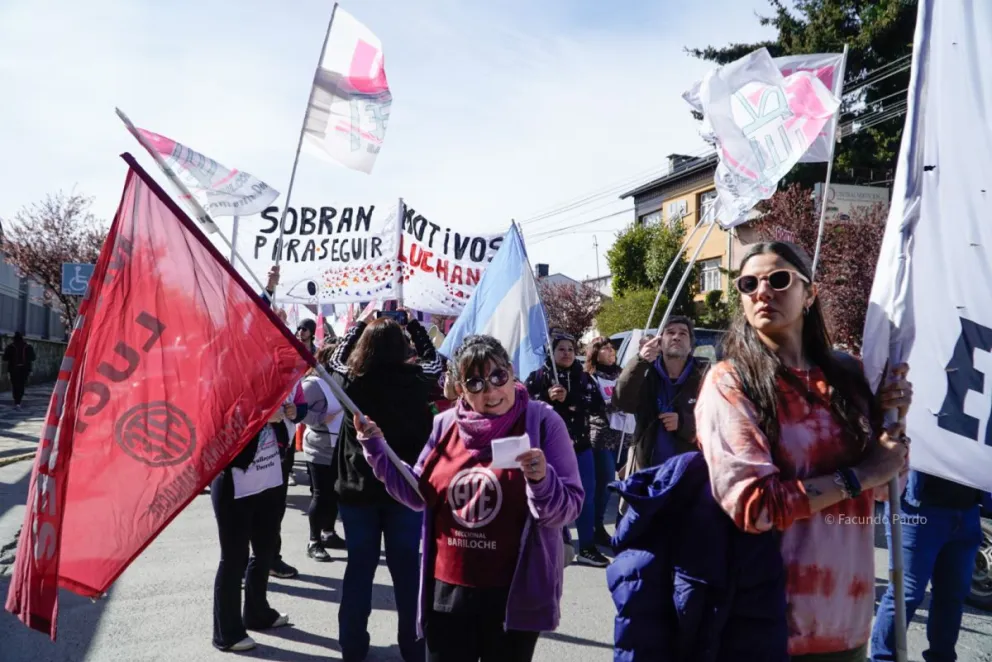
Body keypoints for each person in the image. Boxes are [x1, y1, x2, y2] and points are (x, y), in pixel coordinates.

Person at [694, 241, 912, 661]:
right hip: (769, 624)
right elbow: (754, 506)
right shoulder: (730, 382)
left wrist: (894, 427)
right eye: (748, 284)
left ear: (809, 293)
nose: (762, 291)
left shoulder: (849, 374)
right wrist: (863, 474)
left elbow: (889, 488)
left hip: (849, 623)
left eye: (778, 280)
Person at [353, 335, 584, 662]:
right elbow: (418, 495)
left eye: (498, 376)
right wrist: (378, 450)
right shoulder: (445, 424)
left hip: (512, 595)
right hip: (448, 591)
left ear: (511, 372)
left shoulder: (542, 422)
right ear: (460, 389)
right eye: (475, 383)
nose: (491, 391)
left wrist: (542, 481)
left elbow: (569, 506)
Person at [329, 315, 437, 662]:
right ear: (403, 347)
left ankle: (352, 647)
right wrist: (416, 327)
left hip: (357, 490)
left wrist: (358, 326)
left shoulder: (350, 383)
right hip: (404, 489)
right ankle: (414, 647)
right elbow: (435, 361)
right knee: (408, 571)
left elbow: (334, 359)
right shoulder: (418, 380)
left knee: (359, 568)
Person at [870, 469, 985, 661]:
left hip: (967, 511)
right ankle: (883, 658)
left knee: (952, 595)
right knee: (905, 594)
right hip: (916, 510)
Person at [210, 401, 295, 652]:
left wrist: (291, 411)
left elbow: (291, 416)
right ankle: (227, 632)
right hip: (236, 483)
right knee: (234, 558)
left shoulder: (267, 387)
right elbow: (218, 426)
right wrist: (262, 416)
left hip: (269, 479)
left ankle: (258, 612)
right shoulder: (225, 388)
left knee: (265, 551)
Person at [525, 331, 609, 567]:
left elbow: (597, 406)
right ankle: (555, 544)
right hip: (547, 451)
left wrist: (570, 398)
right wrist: (546, 396)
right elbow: (524, 405)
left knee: (585, 497)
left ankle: (587, 547)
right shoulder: (537, 376)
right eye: (561, 349)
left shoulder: (584, 378)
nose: (567, 353)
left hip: (580, 447)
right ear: (551, 352)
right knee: (550, 498)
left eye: (571, 349)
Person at [613, 316, 705, 476]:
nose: (676, 337)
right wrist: (639, 361)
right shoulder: (645, 371)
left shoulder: (705, 376)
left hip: (690, 472)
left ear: (691, 345)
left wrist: (683, 423)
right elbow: (622, 402)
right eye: (670, 332)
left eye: (683, 333)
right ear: (660, 343)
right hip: (647, 471)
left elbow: (718, 423)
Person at [299, 344, 347, 562]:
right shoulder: (313, 384)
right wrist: (320, 418)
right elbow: (298, 411)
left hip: (339, 446)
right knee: (321, 494)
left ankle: (329, 533)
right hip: (319, 447)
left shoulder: (340, 381)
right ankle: (313, 541)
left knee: (334, 493)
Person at [584, 336, 625, 547]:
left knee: (629, 483)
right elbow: (590, 405)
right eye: (605, 348)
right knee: (606, 482)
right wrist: (613, 405)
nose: (611, 351)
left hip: (624, 436)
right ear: (595, 353)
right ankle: (597, 526)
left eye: (612, 348)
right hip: (602, 436)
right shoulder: (589, 377)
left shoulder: (622, 373)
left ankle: (624, 527)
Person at [4, 332, 35, 410]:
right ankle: (19, 400)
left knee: (15, 384)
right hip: (25, 369)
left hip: (13, 369)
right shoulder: (28, 347)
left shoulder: (10, 347)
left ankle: (16, 400)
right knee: (22, 384)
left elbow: (5, 358)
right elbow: (33, 357)